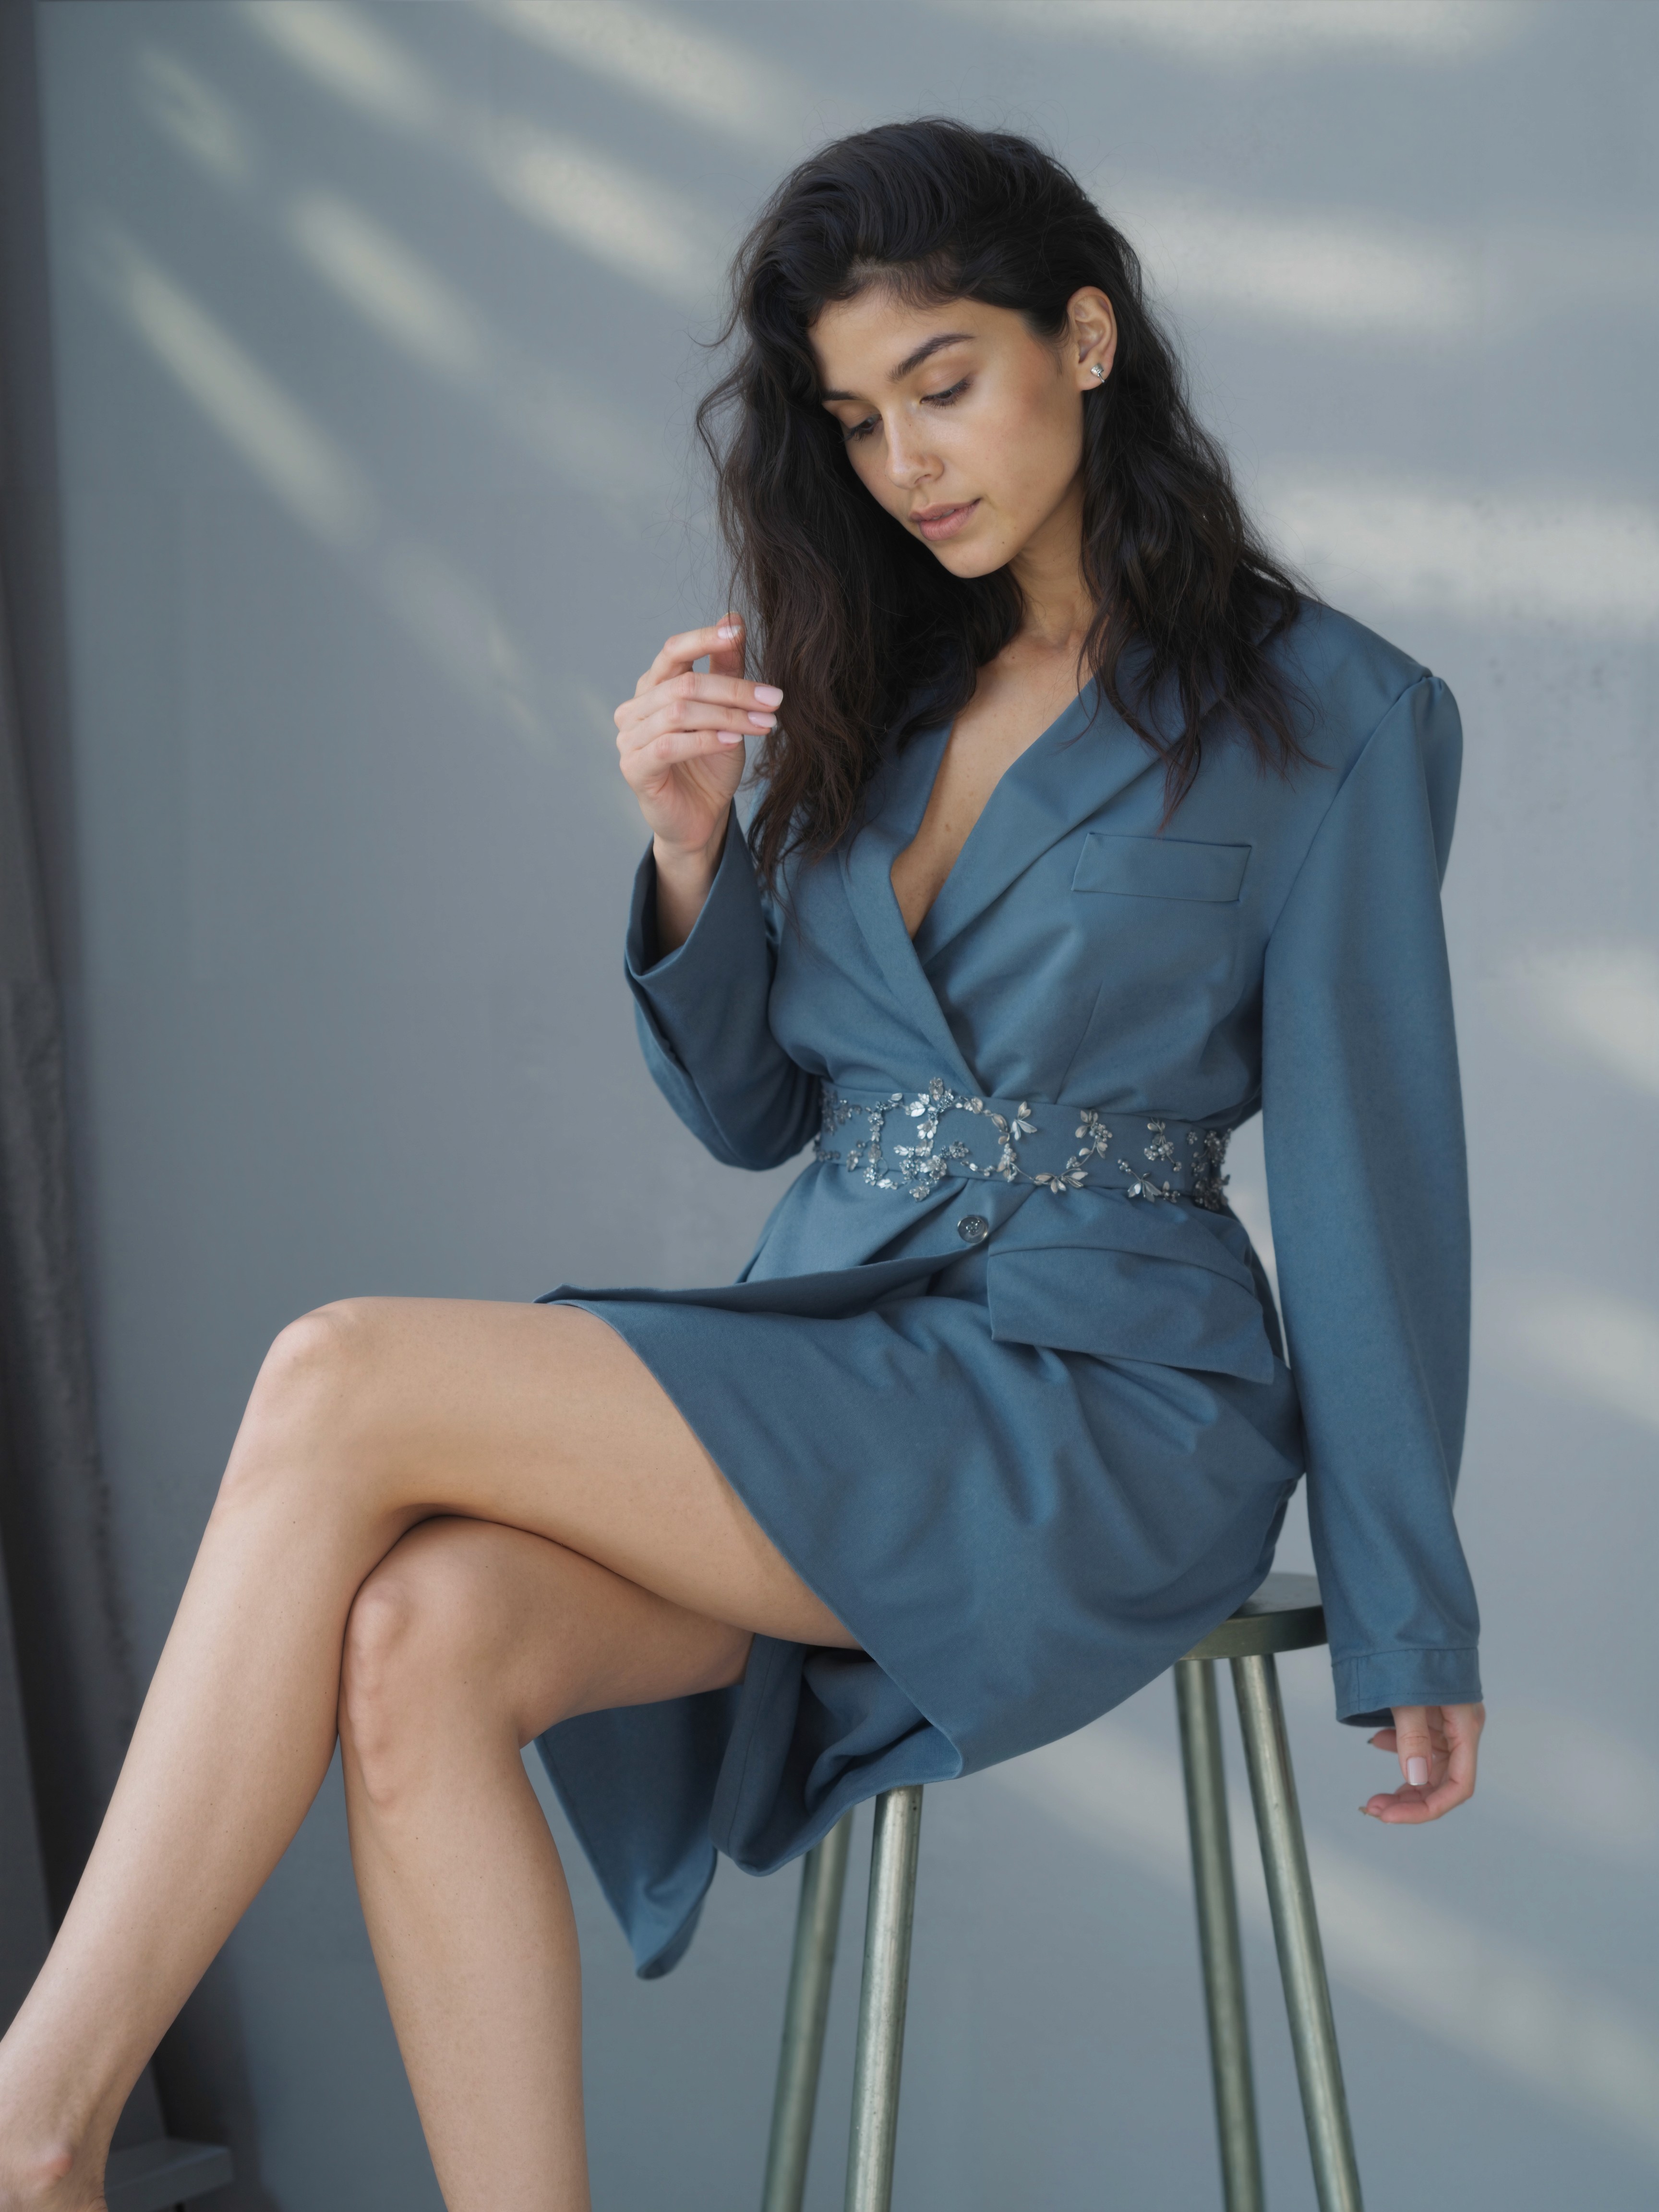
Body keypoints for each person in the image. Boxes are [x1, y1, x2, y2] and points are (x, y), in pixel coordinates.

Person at [0, 119, 1483, 2212]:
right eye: (858, 421)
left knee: (337, 1377)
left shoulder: (1332, 714)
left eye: (943, 386)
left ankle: (36, 2130)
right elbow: (767, 1117)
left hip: (1109, 1404)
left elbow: (1371, 1185)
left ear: (1086, 340)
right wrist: (693, 852)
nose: (906, 464)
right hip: (847, 1347)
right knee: (418, 1632)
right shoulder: (881, 682)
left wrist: (1412, 1619)